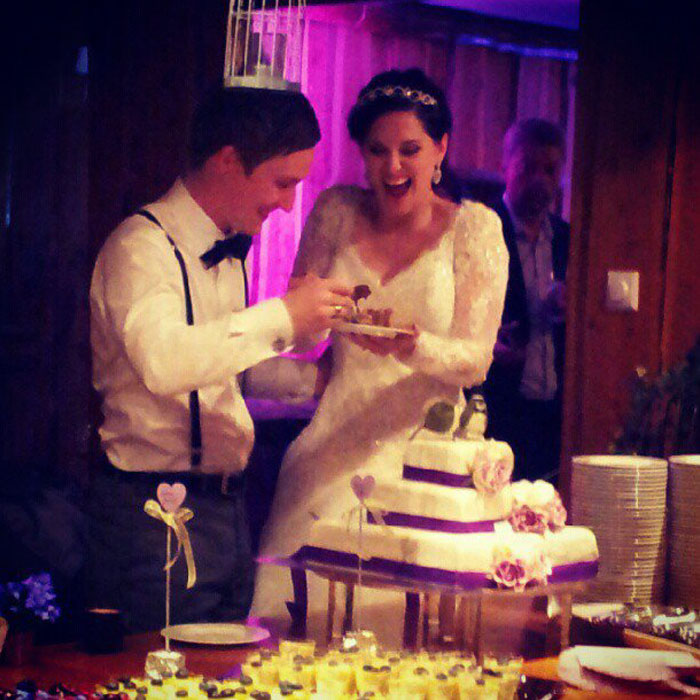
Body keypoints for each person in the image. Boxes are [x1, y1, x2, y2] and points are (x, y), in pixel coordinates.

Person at [251, 69, 508, 640]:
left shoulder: (476, 229)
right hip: (331, 447)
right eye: (377, 151)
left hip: (427, 464)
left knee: (400, 642)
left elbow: (475, 360)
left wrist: (412, 345)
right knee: (296, 633)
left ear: (440, 149)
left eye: (410, 150)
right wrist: (307, 316)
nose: (393, 167)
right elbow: (299, 334)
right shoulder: (335, 211)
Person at [87, 87, 354, 632]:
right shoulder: (140, 248)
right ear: (228, 160)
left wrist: (319, 376)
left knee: (223, 670)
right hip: (153, 513)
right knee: (158, 669)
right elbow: (165, 363)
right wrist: (281, 315)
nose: (288, 205)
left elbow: (220, 371)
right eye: (282, 183)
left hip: (230, 510)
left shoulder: (229, 250)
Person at [482, 118, 569, 482]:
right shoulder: (482, 229)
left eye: (550, 170)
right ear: (505, 166)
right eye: (528, 167)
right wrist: (487, 343)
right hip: (497, 409)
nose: (540, 180)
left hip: (555, 413)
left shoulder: (569, 239)